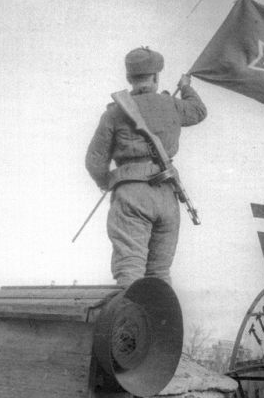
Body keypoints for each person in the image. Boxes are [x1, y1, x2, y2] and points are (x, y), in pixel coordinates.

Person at [85, 46, 207, 287]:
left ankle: (130, 325)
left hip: (132, 194)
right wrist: (185, 87)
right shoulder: (172, 104)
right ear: (156, 76)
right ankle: (160, 325)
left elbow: (95, 160)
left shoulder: (115, 112)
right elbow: (199, 112)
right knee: (160, 274)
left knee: (130, 271)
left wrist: (107, 182)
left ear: (129, 78)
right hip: (167, 194)